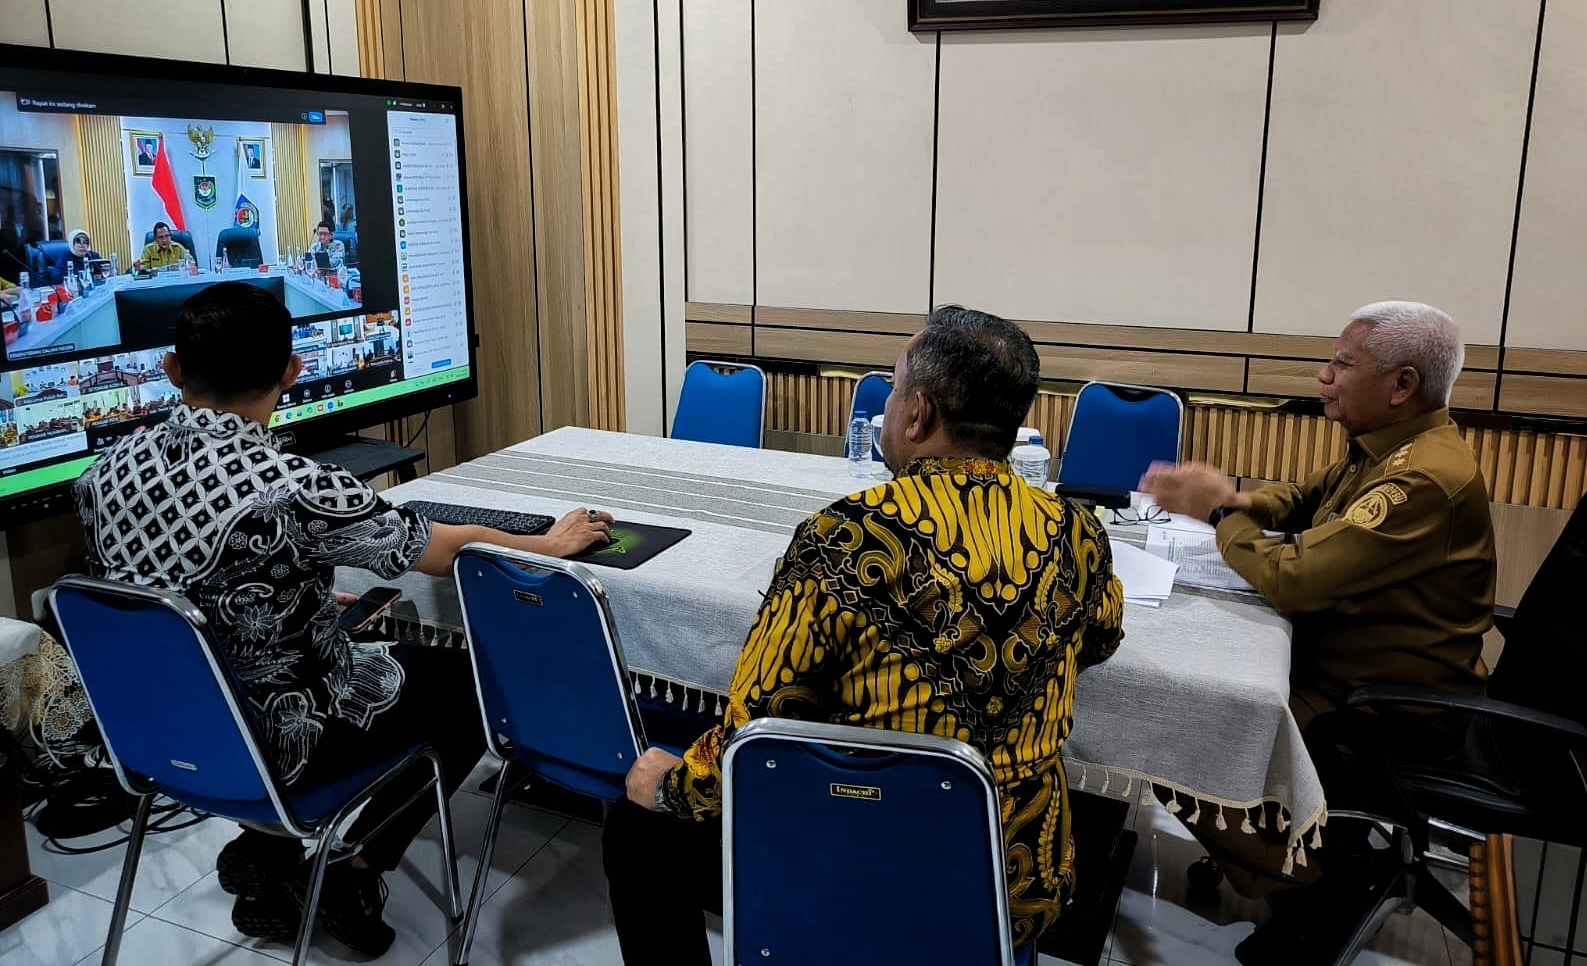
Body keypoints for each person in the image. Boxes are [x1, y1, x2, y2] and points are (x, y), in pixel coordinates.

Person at [73, 283, 616, 958]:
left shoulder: (99, 477)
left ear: (174, 370)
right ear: (292, 372)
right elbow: (438, 549)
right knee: (478, 682)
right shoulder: (296, 484)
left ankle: (266, 856)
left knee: (365, 645)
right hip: (280, 742)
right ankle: (352, 870)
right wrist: (549, 544)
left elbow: (161, 590)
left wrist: (289, 601)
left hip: (153, 737)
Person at [603, 306, 1125, 964]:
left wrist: (673, 785)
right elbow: (1100, 639)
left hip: (862, 868)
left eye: (896, 386)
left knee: (637, 829)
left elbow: (760, 724)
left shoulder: (843, 538)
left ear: (918, 415)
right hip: (1016, 881)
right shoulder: (1077, 531)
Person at [1140, 300, 1496, 964]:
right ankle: (1306, 857)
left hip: (1386, 705)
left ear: (1402, 384)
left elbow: (1296, 580)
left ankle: (1318, 889)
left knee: (1182, 730)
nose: (1324, 376)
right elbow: (1302, 500)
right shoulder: (1391, 447)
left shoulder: (1420, 476)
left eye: (1341, 363)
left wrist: (1217, 509)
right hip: (1349, 669)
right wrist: (1239, 500)